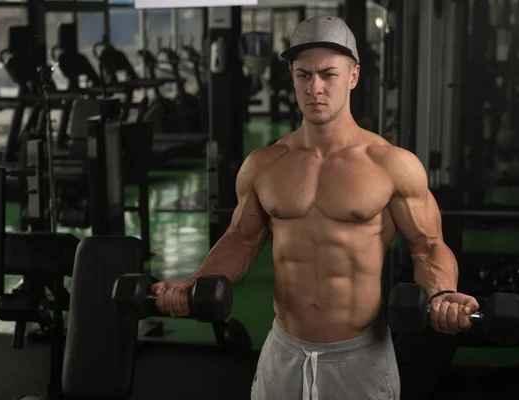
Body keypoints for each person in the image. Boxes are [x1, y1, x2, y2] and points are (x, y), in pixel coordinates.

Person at [151, 15, 480, 400]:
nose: (315, 88)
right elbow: (241, 238)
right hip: (284, 350)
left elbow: (428, 245)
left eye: (328, 74)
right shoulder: (264, 163)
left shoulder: (391, 164)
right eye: (304, 75)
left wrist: (442, 296)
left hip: (360, 356)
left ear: (354, 76)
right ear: (291, 76)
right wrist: (195, 282)